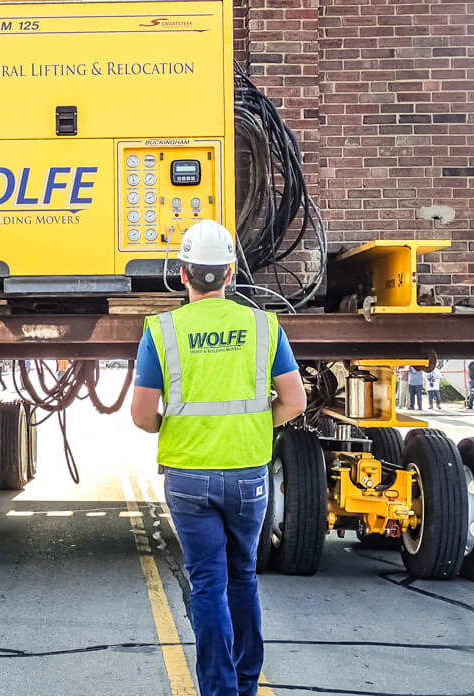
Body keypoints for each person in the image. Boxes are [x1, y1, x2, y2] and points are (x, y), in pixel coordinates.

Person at [130, 220, 306, 696]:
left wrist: (181, 426)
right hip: (248, 475)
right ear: (230, 272)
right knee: (242, 575)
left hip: (188, 478)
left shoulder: (163, 330)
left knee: (207, 581)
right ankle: (248, 681)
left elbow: (142, 415)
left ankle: (219, 689)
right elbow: (294, 401)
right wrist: (248, 424)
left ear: (183, 273)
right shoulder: (263, 325)